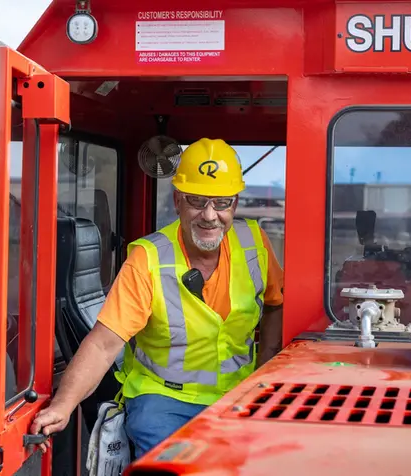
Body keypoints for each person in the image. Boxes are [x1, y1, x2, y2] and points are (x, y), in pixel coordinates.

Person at [29, 138, 284, 458]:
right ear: (178, 200)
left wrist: (267, 367)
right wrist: (63, 406)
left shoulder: (254, 244)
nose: (209, 215)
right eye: (196, 200)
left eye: (221, 203)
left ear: (234, 204)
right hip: (163, 402)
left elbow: (276, 304)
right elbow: (103, 343)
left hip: (239, 395)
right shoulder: (147, 259)